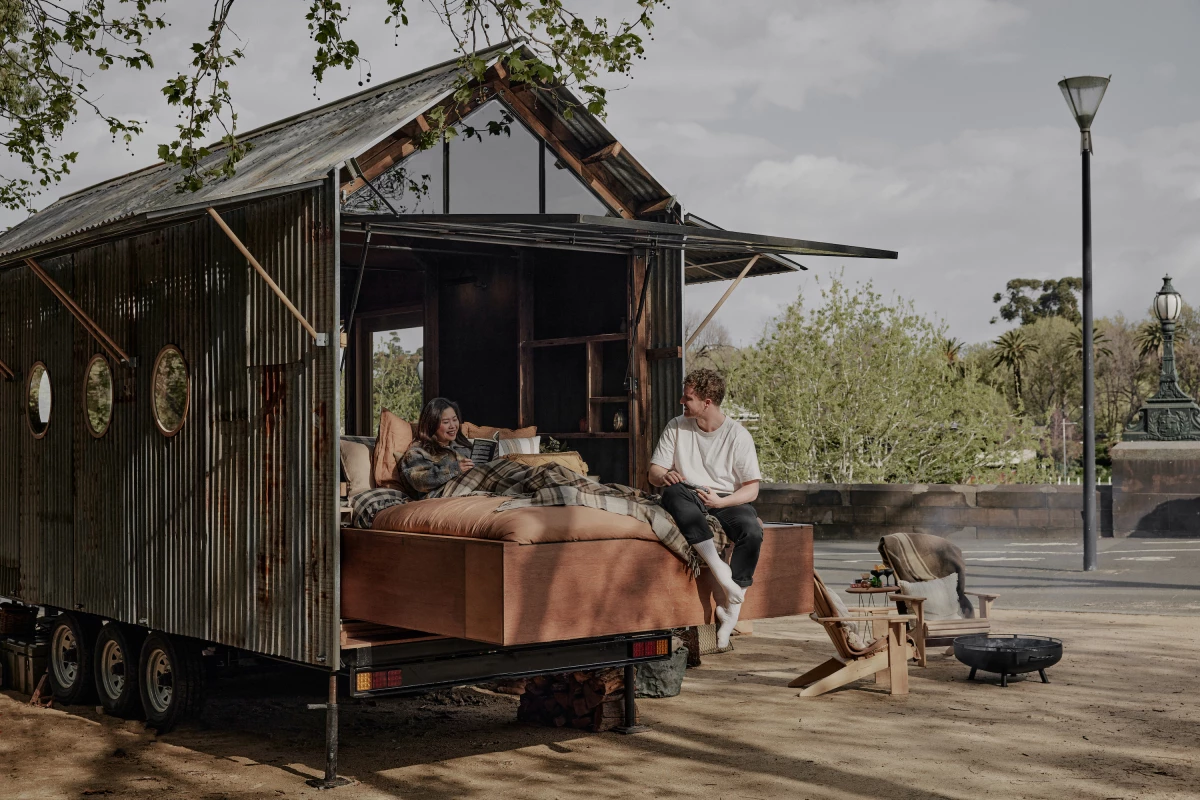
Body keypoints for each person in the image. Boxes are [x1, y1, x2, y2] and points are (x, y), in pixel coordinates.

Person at [649, 368, 763, 649]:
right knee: (673, 493)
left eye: (687, 398)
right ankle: (721, 573)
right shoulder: (676, 426)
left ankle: (731, 613)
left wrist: (721, 502)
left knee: (752, 530)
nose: (681, 402)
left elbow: (752, 488)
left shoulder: (738, 435)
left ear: (707, 402)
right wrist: (664, 476)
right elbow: (653, 472)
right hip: (689, 494)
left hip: (726, 499)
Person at [400, 397, 474, 498]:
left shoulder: (463, 446)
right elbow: (419, 482)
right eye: (446, 422)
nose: (452, 426)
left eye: (455, 419)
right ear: (432, 424)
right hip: (441, 497)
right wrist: (455, 469)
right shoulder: (417, 452)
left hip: (473, 490)